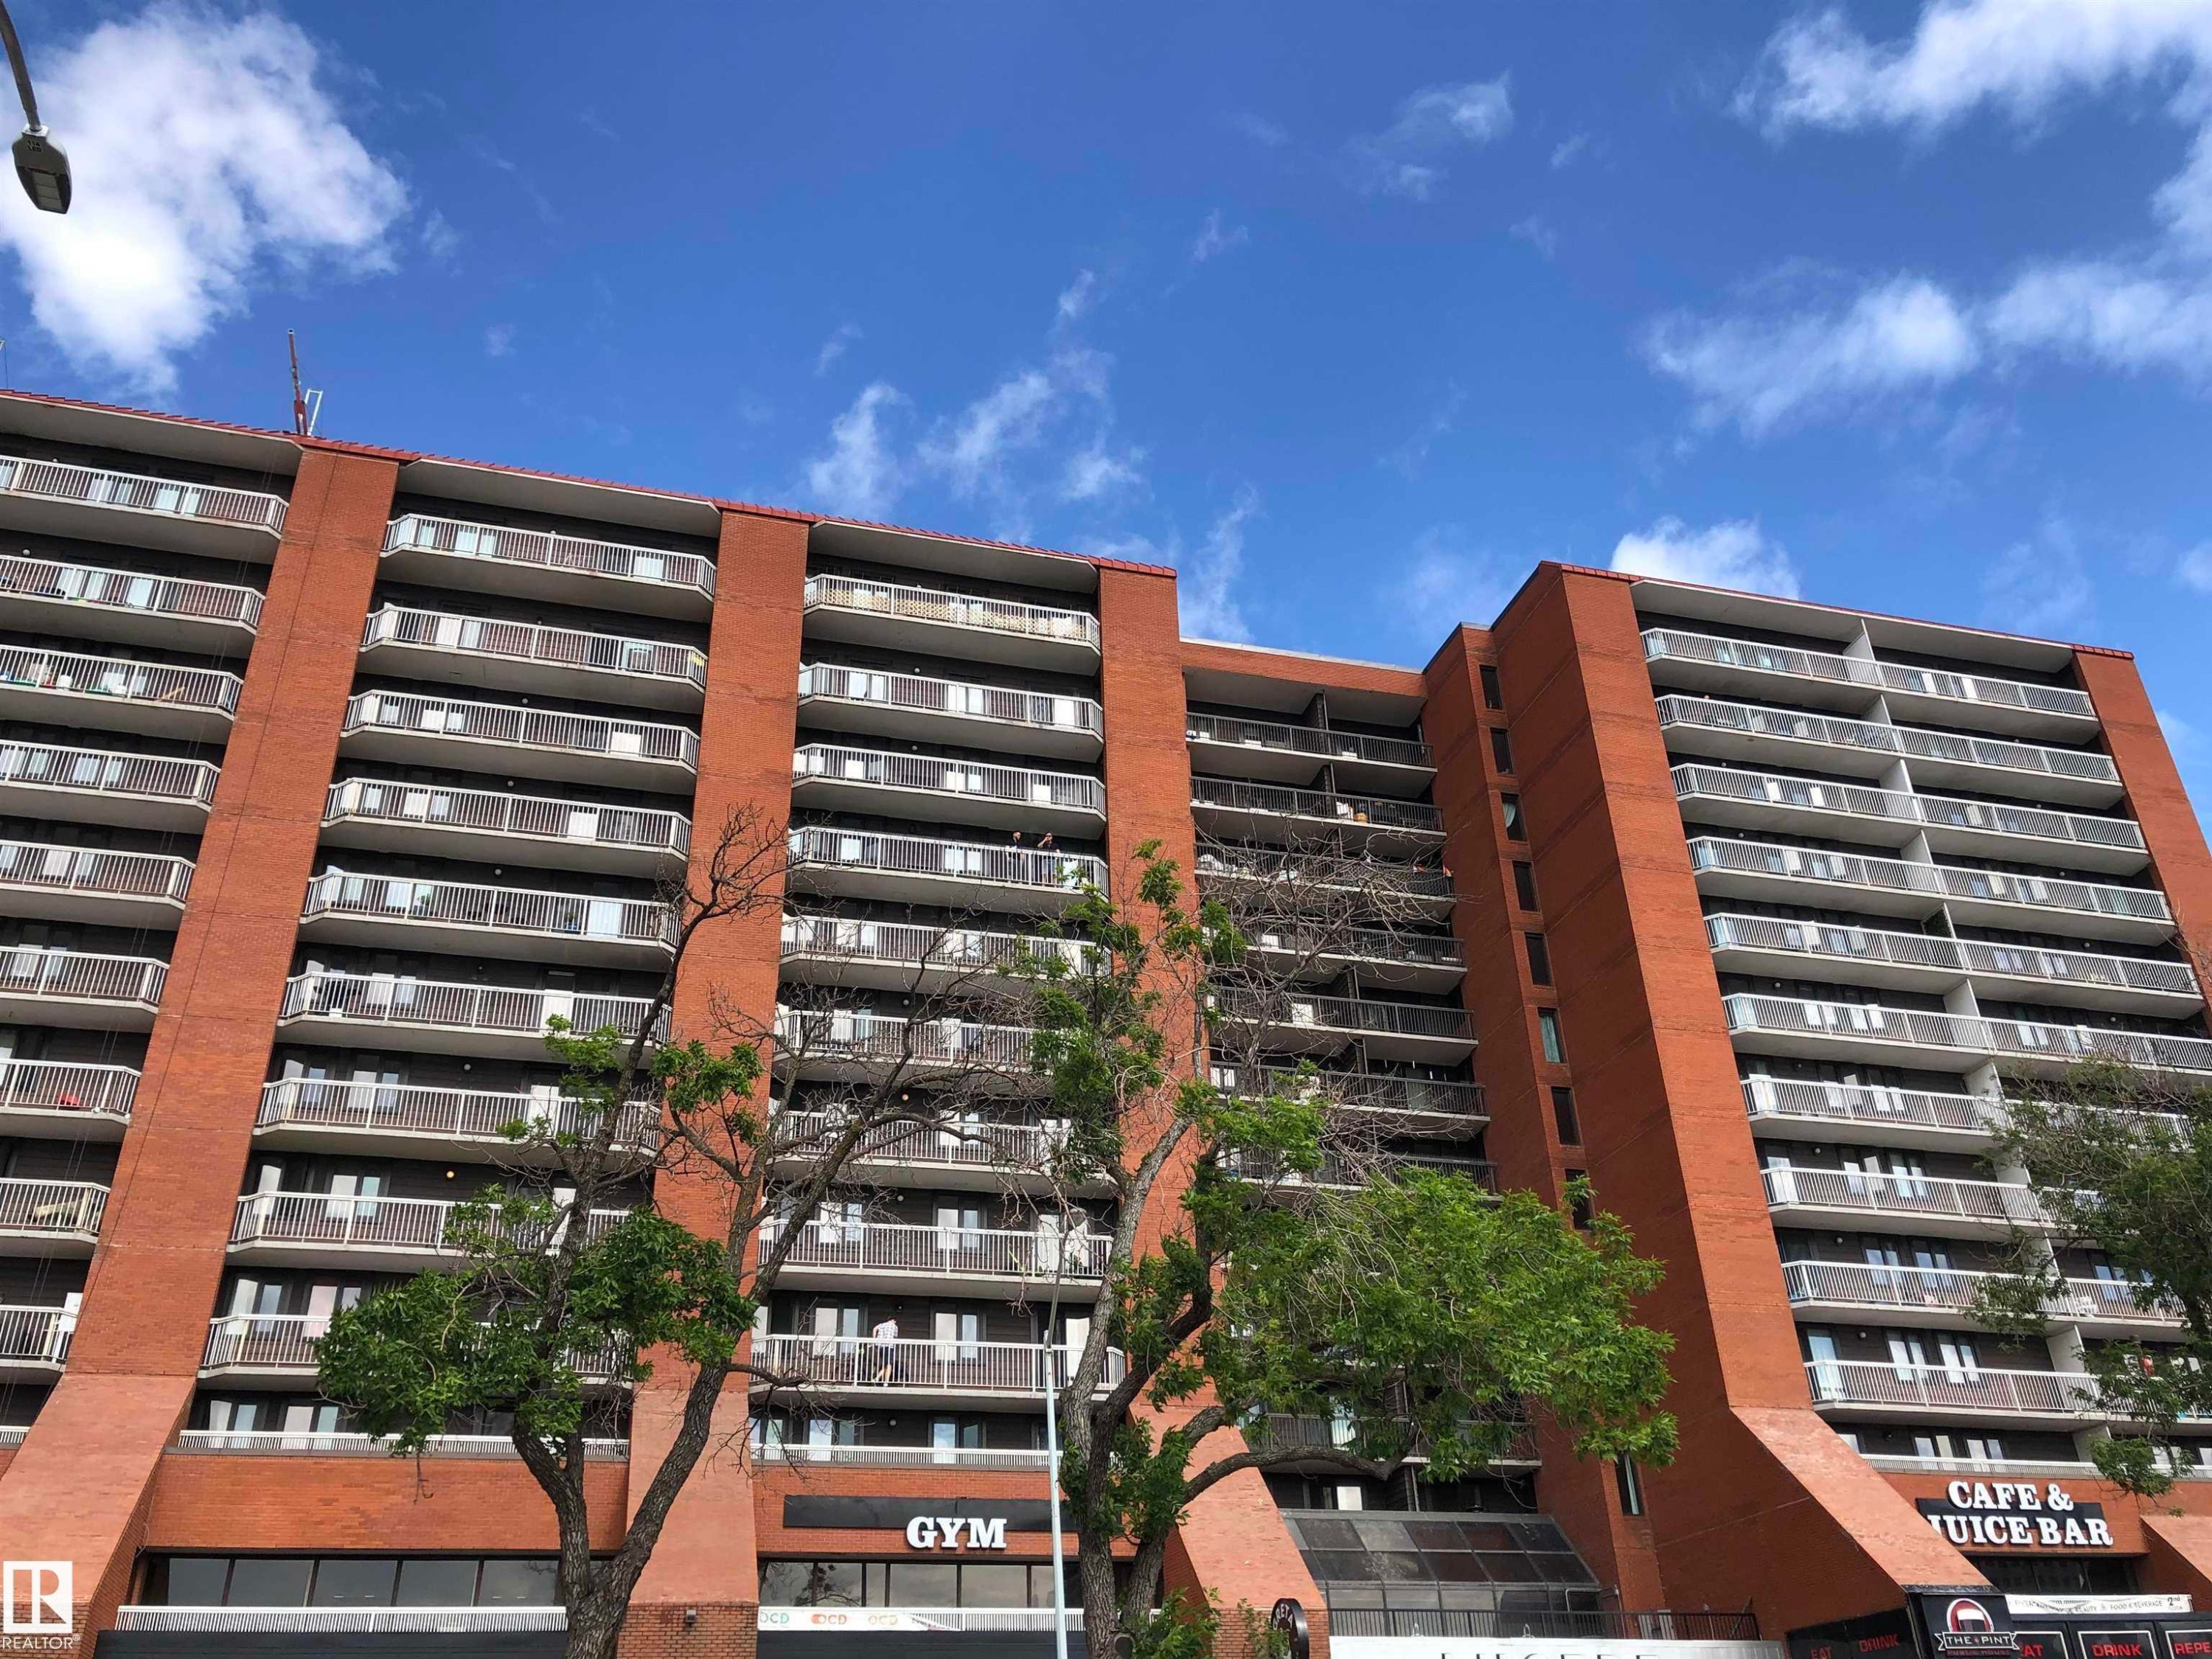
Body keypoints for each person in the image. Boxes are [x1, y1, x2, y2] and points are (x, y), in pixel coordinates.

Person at [871, 1315, 898, 1383]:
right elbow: (895, 1336)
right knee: (889, 1364)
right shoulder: (894, 1326)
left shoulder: (881, 1325)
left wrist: (874, 1340)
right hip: (889, 1346)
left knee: (886, 1364)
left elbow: (875, 1329)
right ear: (893, 1320)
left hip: (880, 1347)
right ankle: (886, 1382)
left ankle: (877, 1378)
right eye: (895, 1321)